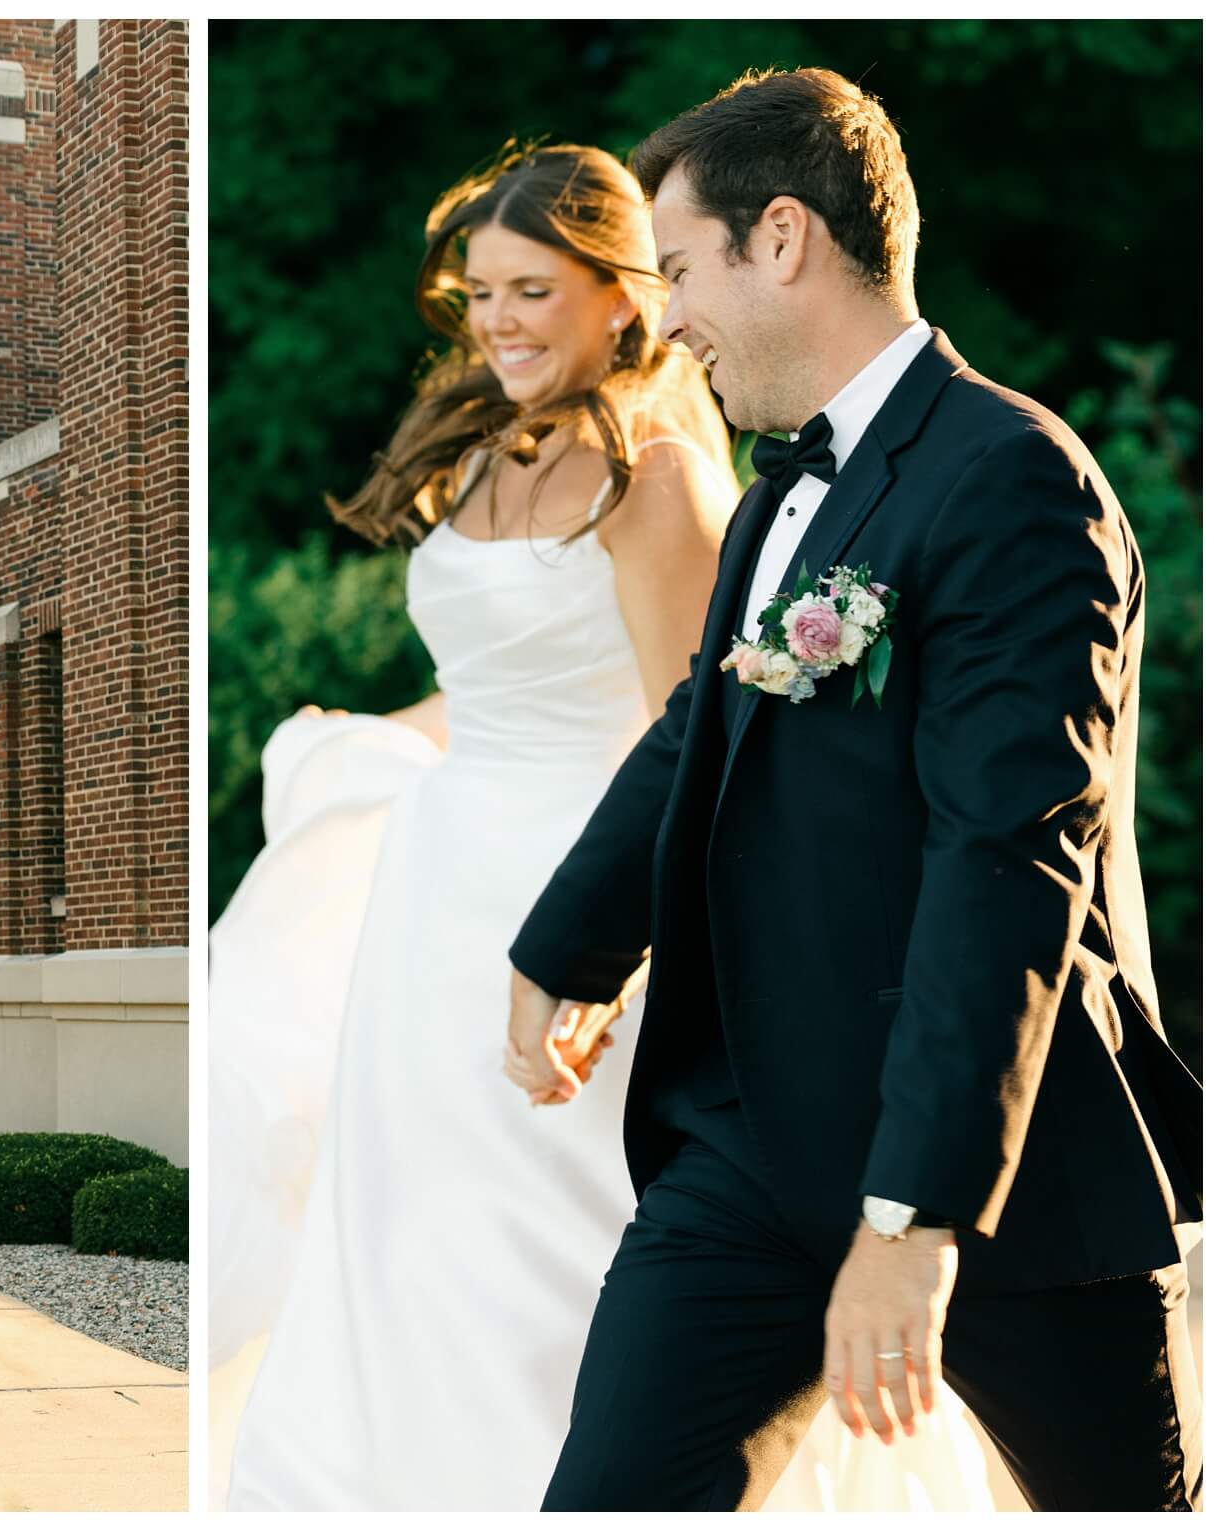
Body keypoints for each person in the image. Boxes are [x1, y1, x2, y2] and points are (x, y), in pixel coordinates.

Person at [213, 141, 990, 1510]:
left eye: (531, 289)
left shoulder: (658, 478)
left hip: (576, 905)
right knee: (419, 1232)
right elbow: (491, 686)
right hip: (432, 904)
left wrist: (616, 946)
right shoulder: (479, 459)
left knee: (564, 1233)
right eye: (481, 296)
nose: (499, 322)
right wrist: (373, 740)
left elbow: (688, 738)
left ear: (621, 297)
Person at [507, 69, 1201, 1511]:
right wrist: (564, 943)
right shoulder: (773, 493)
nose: (670, 317)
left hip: (996, 1163)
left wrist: (913, 1212)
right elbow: (707, 717)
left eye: (681, 268)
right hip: (747, 1141)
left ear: (781, 239)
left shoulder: (1014, 480)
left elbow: (1007, 857)